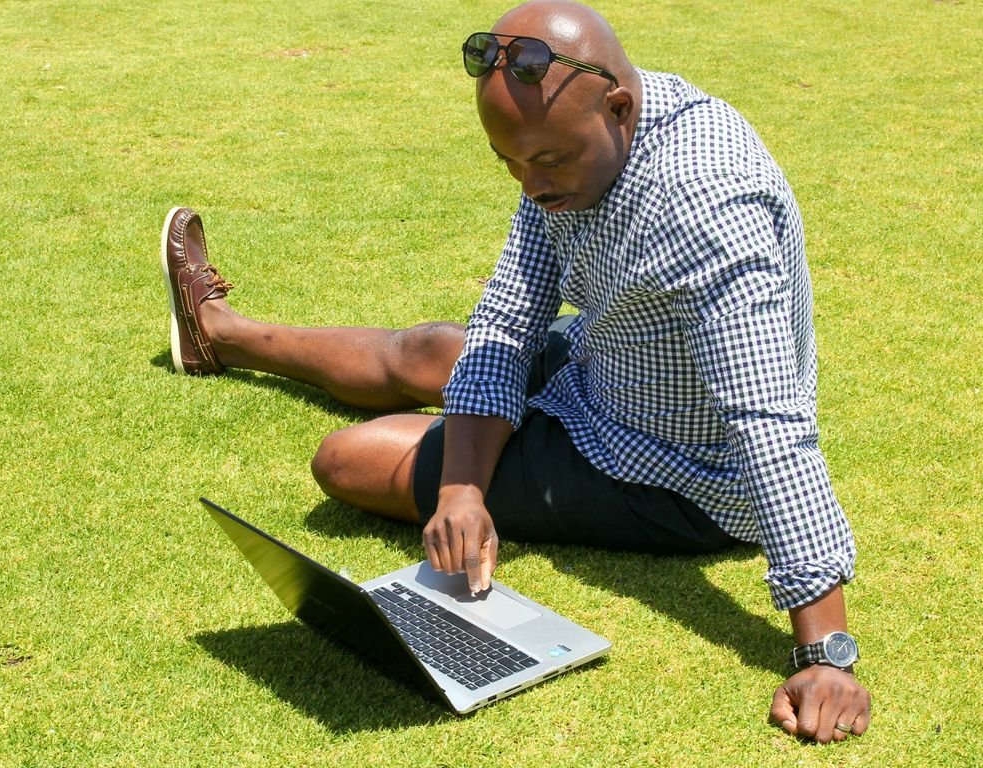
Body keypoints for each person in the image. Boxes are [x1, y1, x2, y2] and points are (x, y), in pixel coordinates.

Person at [162, 0, 871, 743]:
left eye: (546, 163)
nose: (529, 185)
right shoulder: (570, 135)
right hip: (612, 355)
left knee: (348, 458)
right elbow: (507, 319)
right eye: (509, 162)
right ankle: (221, 334)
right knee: (436, 349)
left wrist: (826, 652)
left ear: (620, 108)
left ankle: (255, 352)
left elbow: (768, 421)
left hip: (674, 470)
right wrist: (463, 490)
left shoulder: (710, 205)